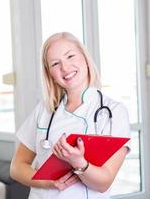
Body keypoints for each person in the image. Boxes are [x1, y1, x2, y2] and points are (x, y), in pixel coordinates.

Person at [10, 32, 130, 199]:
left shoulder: (113, 112)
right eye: (55, 64)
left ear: (85, 58)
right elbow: (16, 167)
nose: (65, 68)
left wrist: (78, 162)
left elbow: (104, 183)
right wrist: (48, 182)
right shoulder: (45, 110)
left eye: (70, 56)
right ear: (49, 73)